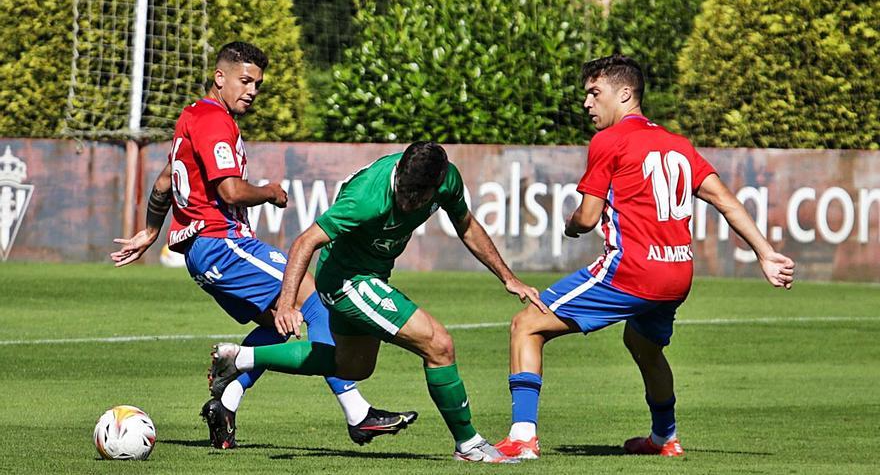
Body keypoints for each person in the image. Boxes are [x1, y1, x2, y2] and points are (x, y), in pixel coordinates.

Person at [110, 41, 416, 450]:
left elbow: (165, 181)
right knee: (316, 299)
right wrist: (269, 191)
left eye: (257, 83)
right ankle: (358, 414)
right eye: (245, 80)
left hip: (206, 252)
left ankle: (226, 402)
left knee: (277, 322)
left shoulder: (192, 118)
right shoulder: (215, 122)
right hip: (221, 244)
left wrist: (150, 230)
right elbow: (232, 191)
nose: (252, 90)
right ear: (220, 77)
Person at [493, 55, 796, 459]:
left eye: (594, 93)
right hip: (676, 275)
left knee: (527, 324)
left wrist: (571, 224)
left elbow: (588, 216)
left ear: (625, 93)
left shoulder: (609, 141)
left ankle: (522, 438)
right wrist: (766, 253)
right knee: (644, 344)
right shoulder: (678, 145)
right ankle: (665, 438)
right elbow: (723, 199)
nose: (587, 102)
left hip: (631, 271)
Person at [208, 140, 549, 463]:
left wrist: (507, 276)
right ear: (399, 169)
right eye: (403, 191)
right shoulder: (366, 197)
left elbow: (468, 226)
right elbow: (304, 242)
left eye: (417, 197)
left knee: (352, 367)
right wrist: (286, 304)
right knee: (439, 344)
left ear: (436, 185)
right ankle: (469, 444)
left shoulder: (447, 180)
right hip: (348, 279)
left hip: (372, 275)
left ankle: (242, 358)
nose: (407, 201)